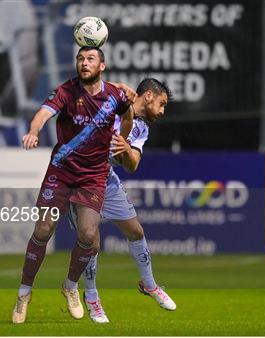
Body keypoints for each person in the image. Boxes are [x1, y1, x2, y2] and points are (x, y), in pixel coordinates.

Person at [12, 46, 134, 324]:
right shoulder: (66, 91)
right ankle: (24, 293)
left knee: (89, 236)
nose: (84, 63)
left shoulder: (115, 96)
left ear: (102, 66)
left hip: (92, 175)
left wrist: (121, 141)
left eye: (90, 59)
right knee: (43, 229)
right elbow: (43, 113)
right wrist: (34, 130)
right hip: (62, 171)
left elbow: (128, 115)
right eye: (80, 58)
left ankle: (69, 286)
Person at [74, 78, 177, 323]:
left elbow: (132, 165)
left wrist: (127, 149)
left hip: (106, 177)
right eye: (162, 104)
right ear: (149, 95)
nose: (162, 112)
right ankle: (92, 298)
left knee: (136, 231)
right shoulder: (116, 98)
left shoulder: (142, 128)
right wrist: (116, 85)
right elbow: (85, 88)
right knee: (92, 241)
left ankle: (150, 285)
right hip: (81, 175)